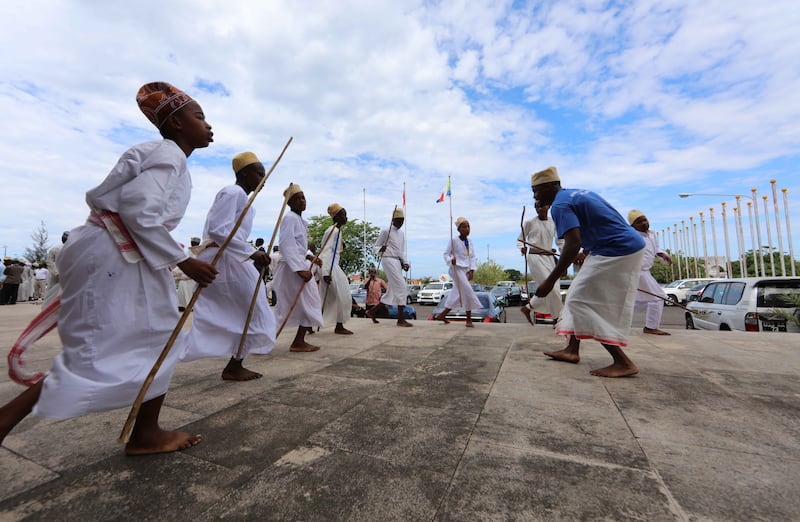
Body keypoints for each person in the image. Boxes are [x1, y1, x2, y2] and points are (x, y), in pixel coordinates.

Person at [0, 82, 217, 454]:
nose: (209, 125)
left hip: (116, 250)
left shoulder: (162, 155)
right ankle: (7, 419)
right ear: (177, 124)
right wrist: (184, 261)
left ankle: (146, 432)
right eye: (199, 117)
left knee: (154, 337)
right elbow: (137, 208)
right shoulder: (168, 153)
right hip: (115, 251)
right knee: (110, 346)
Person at [530, 166, 645, 378]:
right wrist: (587, 249)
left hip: (617, 249)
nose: (534, 197)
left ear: (547, 187)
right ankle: (572, 350)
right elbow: (600, 222)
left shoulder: (560, 205)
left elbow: (572, 243)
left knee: (581, 302)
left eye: (535, 191)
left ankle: (623, 362)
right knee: (575, 296)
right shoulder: (575, 193)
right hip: (617, 246)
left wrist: (550, 279)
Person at [179, 152, 276, 380]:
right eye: (259, 173)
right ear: (243, 173)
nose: (263, 178)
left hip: (233, 258)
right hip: (220, 258)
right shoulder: (232, 192)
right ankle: (232, 363)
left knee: (252, 308)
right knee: (255, 308)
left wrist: (252, 253)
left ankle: (235, 362)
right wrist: (252, 253)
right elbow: (217, 229)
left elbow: (235, 236)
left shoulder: (248, 205)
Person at [273, 183, 324, 352]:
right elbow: (286, 244)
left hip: (299, 266)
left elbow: (299, 245)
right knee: (285, 308)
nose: (303, 201)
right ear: (290, 202)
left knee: (309, 303)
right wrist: (299, 269)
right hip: (290, 269)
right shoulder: (289, 218)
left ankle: (298, 341)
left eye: (303, 197)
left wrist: (310, 256)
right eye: (298, 198)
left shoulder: (300, 221)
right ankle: (261, 339)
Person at [518, 201, 564, 325]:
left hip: (549, 258)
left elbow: (560, 241)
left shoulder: (553, 222)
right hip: (535, 257)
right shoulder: (529, 222)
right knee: (550, 289)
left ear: (548, 206)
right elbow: (520, 239)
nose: (540, 208)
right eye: (537, 206)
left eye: (543, 205)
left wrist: (565, 253)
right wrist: (522, 247)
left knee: (554, 289)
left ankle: (527, 308)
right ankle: (557, 320)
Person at [629, 210, 672, 335]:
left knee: (639, 301)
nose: (644, 223)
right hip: (637, 272)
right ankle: (651, 327)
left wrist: (662, 254)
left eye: (644, 219)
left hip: (645, 272)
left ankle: (611, 318)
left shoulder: (652, 234)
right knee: (658, 298)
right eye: (639, 222)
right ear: (633, 226)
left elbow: (655, 248)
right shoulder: (631, 236)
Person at [367, 208, 412, 327]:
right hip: (388, 259)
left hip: (397, 262)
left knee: (391, 292)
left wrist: (405, 262)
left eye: (402, 220)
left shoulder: (402, 233)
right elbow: (375, 246)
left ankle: (372, 311)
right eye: (399, 220)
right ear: (393, 220)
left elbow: (401, 250)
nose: (401, 223)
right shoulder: (386, 231)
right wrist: (380, 249)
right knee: (402, 286)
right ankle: (400, 319)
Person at [434, 217, 482, 327]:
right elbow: (446, 254)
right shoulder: (454, 240)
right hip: (456, 269)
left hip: (465, 270)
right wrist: (451, 260)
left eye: (468, 226)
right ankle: (468, 319)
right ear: (459, 229)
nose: (467, 229)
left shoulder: (470, 242)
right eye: (464, 227)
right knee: (468, 290)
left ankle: (442, 314)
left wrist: (472, 270)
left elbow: (472, 257)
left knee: (458, 292)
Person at [319, 203, 354, 335]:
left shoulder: (338, 231)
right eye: (344, 215)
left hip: (333, 266)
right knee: (342, 295)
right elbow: (326, 251)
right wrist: (326, 272)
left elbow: (335, 250)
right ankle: (338, 326)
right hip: (329, 267)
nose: (346, 217)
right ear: (337, 216)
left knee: (335, 297)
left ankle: (337, 325)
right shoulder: (332, 231)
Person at [174, 236, 201, 311]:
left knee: (190, 291)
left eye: (195, 242)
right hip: (184, 276)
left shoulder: (199, 253)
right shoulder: (188, 252)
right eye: (193, 242)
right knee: (181, 291)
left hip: (192, 277)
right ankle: (181, 305)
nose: (193, 243)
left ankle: (190, 306)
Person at [43, 231, 70, 304]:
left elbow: (49, 262)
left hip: (56, 275)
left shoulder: (55, 248)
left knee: (52, 293)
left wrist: (56, 273)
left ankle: (49, 311)